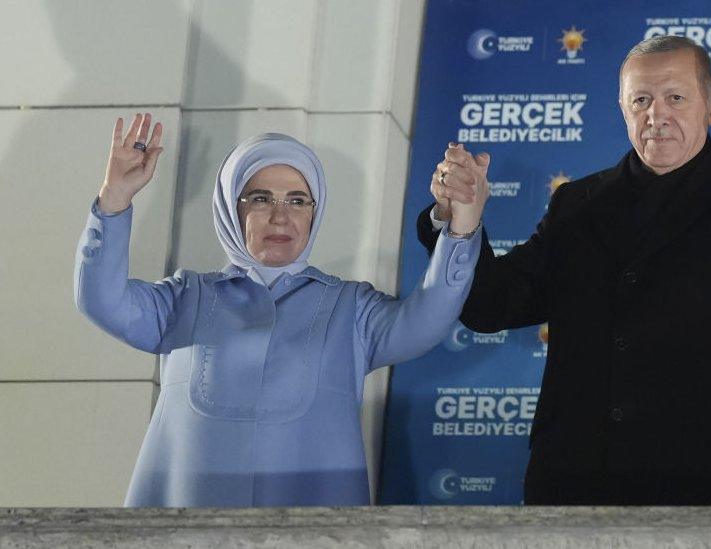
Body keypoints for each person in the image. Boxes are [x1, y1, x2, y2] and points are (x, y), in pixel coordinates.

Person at [416, 15, 711, 504]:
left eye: (675, 98)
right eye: (641, 100)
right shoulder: (578, 204)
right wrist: (460, 222)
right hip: (577, 481)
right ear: (623, 109)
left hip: (705, 484)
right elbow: (491, 305)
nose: (656, 115)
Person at [74, 114, 484, 507]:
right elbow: (102, 300)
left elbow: (427, 321)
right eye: (260, 198)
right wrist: (113, 201)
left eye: (298, 200)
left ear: (315, 211)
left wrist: (460, 231)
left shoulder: (352, 308)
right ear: (231, 208)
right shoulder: (184, 297)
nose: (281, 216)